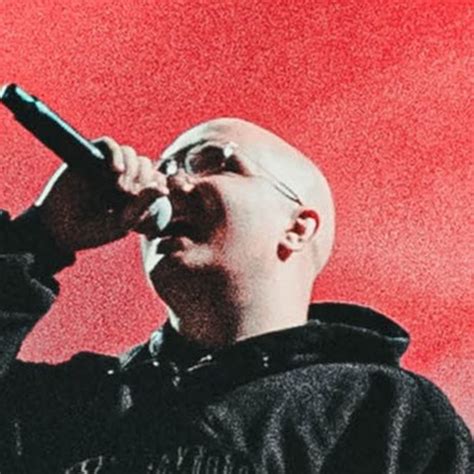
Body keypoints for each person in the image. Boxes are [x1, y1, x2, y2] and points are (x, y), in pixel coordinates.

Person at [0, 118, 471, 473]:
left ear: (297, 228)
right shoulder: (74, 402)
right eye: (163, 171)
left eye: (212, 162)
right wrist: (39, 238)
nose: (168, 185)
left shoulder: (380, 411)